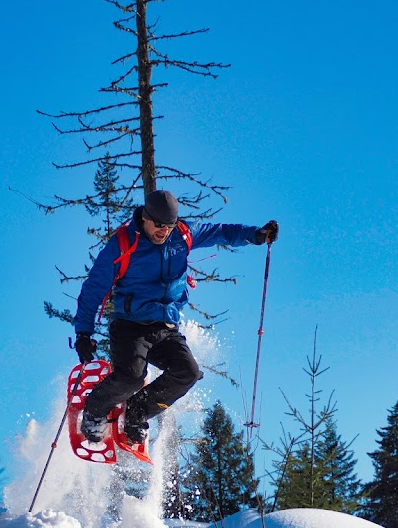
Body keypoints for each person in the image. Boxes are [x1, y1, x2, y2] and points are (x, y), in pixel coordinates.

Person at [72, 189, 279, 444]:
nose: (163, 231)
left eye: (169, 226)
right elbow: (95, 287)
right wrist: (83, 332)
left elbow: (221, 232)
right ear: (145, 217)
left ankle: (137, 413)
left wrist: (254, 235)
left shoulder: (182, 235)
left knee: (188, 373)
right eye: (158, 225)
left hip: (165, 327)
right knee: (131, 377)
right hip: (130, 326)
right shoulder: (124, 242)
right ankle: (95, 409)